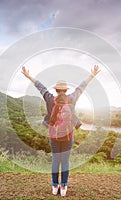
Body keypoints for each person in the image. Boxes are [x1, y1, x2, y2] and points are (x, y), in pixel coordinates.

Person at [21, 65, 100, 197]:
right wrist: (92, 75)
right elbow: (81, 88)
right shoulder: (72, 98)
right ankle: (63, 187)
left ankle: (54, 186)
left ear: (56, 90)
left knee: (55, 160)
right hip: (68, 136)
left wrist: (29, 76)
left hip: (53, 136)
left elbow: (41, 87)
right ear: (65, 90)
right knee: (65, 161)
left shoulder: (50, 99)